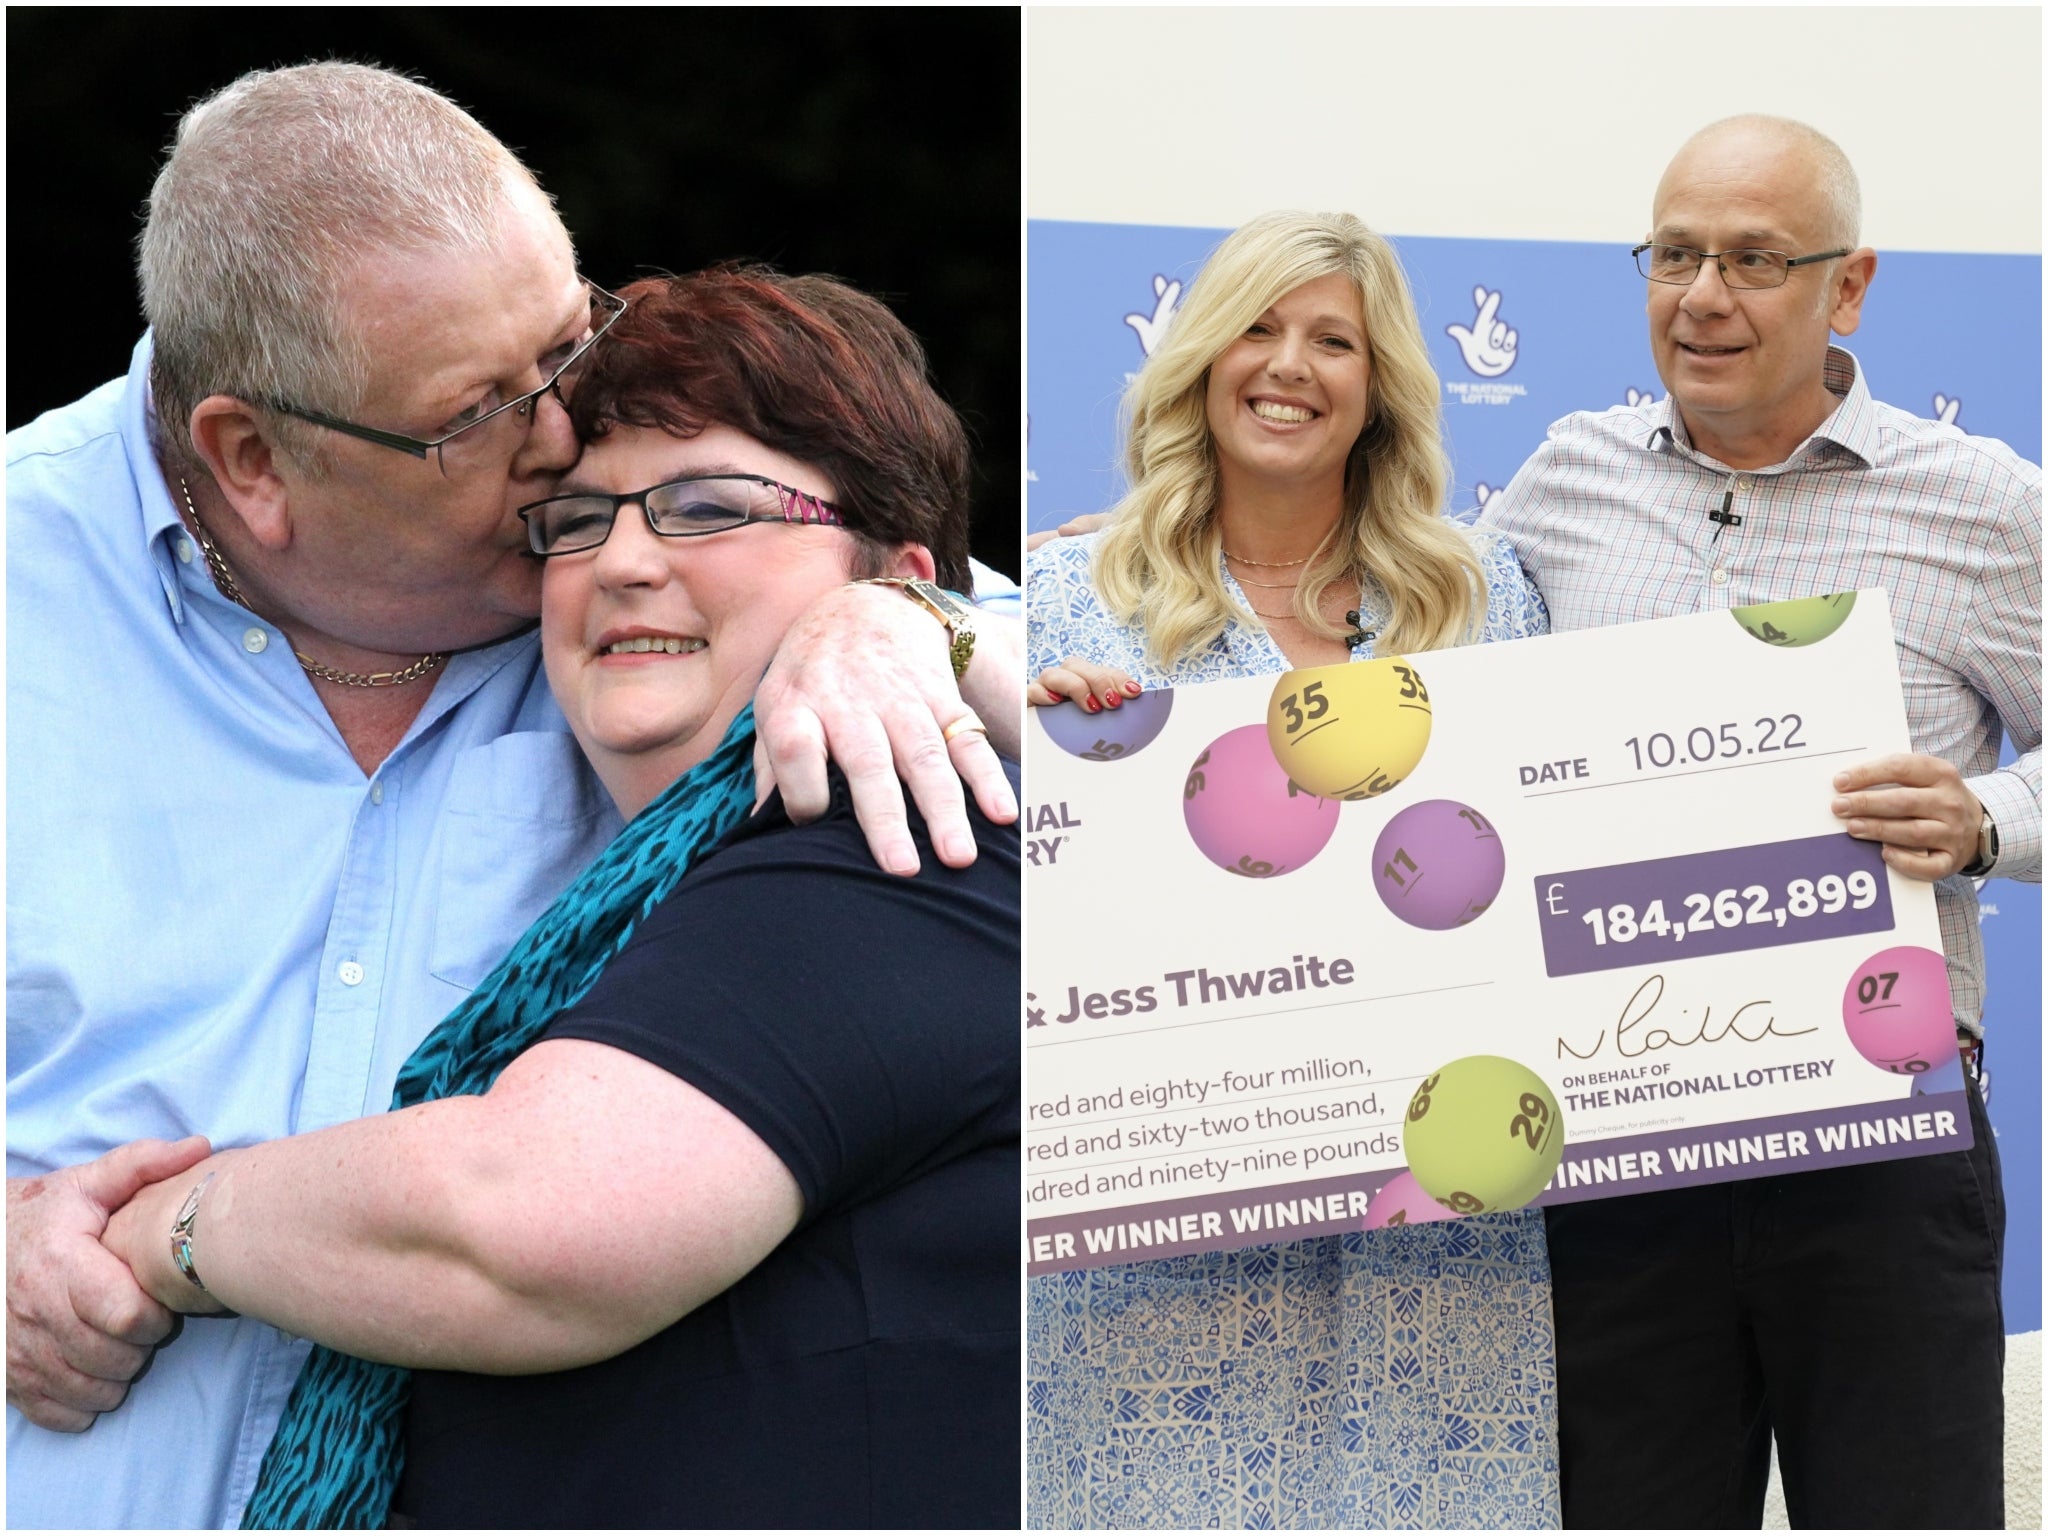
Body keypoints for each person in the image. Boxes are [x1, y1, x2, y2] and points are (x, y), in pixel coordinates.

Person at [5, 63, 1022, 1531]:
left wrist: (927, 627)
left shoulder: (750, 695)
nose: (562, 435)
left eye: (570, 338)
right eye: (479, 409)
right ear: (253, 460)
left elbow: (1130, 709)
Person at [1476, 114, 2039, 1529]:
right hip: (1617, 1151)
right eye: (1673, 255)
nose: (1702, 296)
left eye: (1753, 260)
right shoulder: (1563, 481)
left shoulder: (1983, 506)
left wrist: (1984, 817)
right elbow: (1391, 663)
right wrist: (1106, 589)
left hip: (1878, 1147)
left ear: (1847, 288)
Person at [1025, 211, 1556, 1530]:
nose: (1289, 364)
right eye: (1258, 326)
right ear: (1200, 357)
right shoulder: (1061, 599)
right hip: (1163, 1271)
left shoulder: (1486, 596)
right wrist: (1034, 767)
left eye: (1335, 340)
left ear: (1378, 391)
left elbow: (1552, 857)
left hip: (1440, 1253)